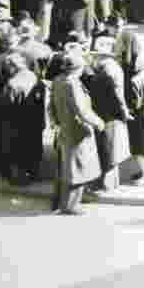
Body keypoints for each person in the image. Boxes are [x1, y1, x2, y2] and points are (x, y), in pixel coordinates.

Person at [48, 50, 105, 215]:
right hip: (78, 132)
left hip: (64, 129)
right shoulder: (72, 84)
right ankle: (71, 205)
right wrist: (99, 123)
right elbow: (82, 111)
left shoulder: (58, 80)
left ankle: (63, 203)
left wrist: (55, 122)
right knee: (79, 169)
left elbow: (50, 105)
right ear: (78, 69)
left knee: (67, 168)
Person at [0, 52, 46, 185]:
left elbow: (4, 108)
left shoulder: (12, 84)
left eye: (7, 67)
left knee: (15, 151)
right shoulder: (34, 78)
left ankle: (18, 177)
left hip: (15, 124)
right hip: (34, 122)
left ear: (13, 66)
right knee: (33, 148)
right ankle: (34, 174)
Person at [88, 36, 132, 192]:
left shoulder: (105, 70)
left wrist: (123, 112)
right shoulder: (111, 67)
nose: (94, 58)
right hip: (110, 114)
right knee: (110, 150)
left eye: (97, 55)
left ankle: (107, 185)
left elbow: (117, 95)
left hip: (109, 115)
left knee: (109, 150)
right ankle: (109, 184)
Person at [116, 29, 144, 186]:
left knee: (138, 142)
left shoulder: (128, 63)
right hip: (141, 104)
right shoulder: (140, 59)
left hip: (134, 107)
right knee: (140, 140)